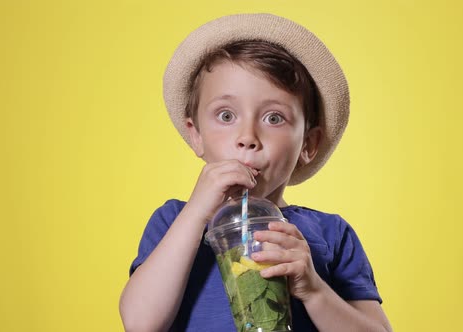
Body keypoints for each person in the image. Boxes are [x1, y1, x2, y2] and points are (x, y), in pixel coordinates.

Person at [119, 13, 392, 332]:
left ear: (308, 143)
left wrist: (314, 290)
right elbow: (140, 324)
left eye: (274, 118)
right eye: (226, 115)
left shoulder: (331, 234)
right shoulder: (174, 222)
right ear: (195, 134)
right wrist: (195, 215)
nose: (247, 137)